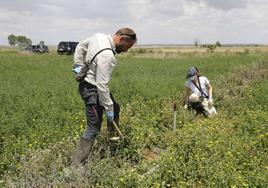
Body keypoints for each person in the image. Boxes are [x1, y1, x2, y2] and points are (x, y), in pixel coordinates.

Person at [72, 28, 137, 167]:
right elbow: (102, 86)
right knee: (93, 127)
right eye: (127, 46)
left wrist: (77, 66)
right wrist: (108, 110)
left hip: (90, 86)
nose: (126, 50)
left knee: (116, 107)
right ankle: (76, 165)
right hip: (92, 90)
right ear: (122, 39)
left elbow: (80, 46)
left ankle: (112, 142)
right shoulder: (107, 56)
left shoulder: (99, 36)